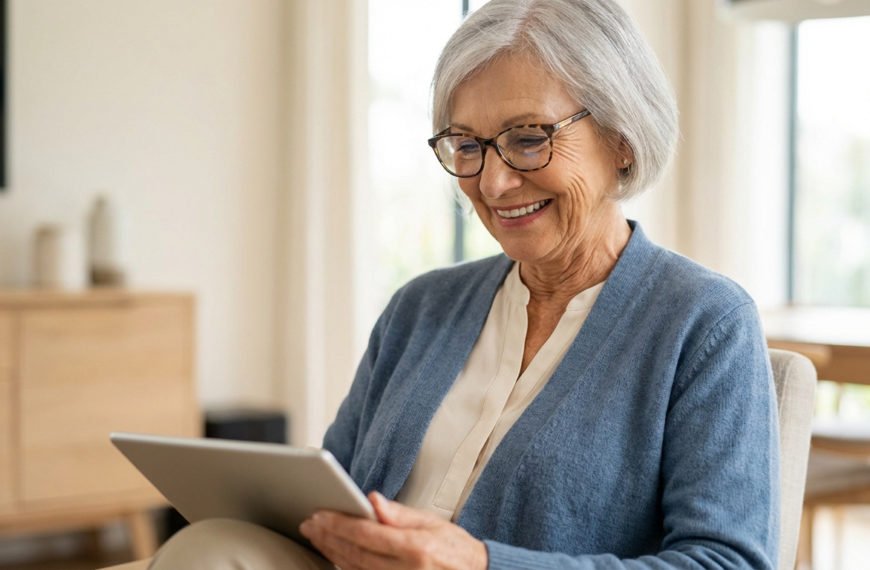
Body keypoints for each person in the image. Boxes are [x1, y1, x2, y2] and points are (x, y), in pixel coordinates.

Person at [149, 0, 779, 568]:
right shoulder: (420, 307)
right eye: (467, 146)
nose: (494, 183)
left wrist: (481, 565)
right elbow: (329, 489)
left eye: (529, 140)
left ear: (620, 138)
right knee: (207, 546)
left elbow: (727, 563)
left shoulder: (704, 322)